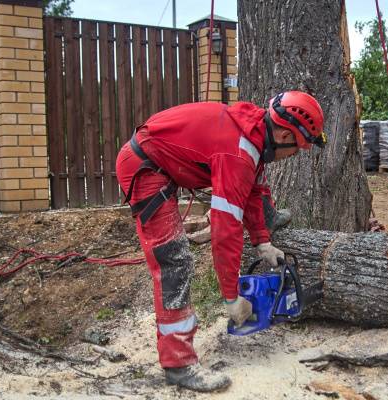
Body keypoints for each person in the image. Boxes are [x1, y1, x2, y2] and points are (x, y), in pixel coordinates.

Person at [115, 91, 326, 392]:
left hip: (162, 164)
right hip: (144, 167)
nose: (294, 155)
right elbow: (225, 231)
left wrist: (262, 242)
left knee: (177, 258)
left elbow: (253, 191)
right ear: (282, 134)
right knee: (173, 260)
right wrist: (231, 298)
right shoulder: (238, 153)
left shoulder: (254, 133)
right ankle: (179, 365)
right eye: (297, 148)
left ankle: (179, 357)